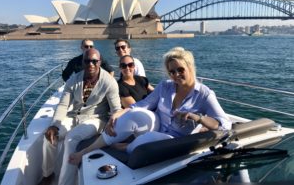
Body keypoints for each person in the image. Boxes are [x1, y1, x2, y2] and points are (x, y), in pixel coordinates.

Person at [68, 47, 232, 165]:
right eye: (171, 72)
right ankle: (86, 151)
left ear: (190, 66)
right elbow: (143, 104)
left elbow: (225, 124)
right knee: (131, 116)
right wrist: (119, 113)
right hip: (159, 124)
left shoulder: (203, 94)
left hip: (175, 138)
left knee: (146, 140)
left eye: (180, 69)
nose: (176, 75)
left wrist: (200, 119)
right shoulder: (166, 86)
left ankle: (126, 147)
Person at [38, 48, 124, 185]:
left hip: (95, 119)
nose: (91, 64)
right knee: (49, 137)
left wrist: (113, 124)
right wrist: (55, 125)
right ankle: (47, 175)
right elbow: (62, 105)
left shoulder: (109, 82)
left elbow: (116, 109)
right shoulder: (74, 79)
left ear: (100, 62)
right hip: (73, 116)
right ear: (83, 62)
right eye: (87, 61)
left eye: (94, 61)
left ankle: (65, 182)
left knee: (71, 139)